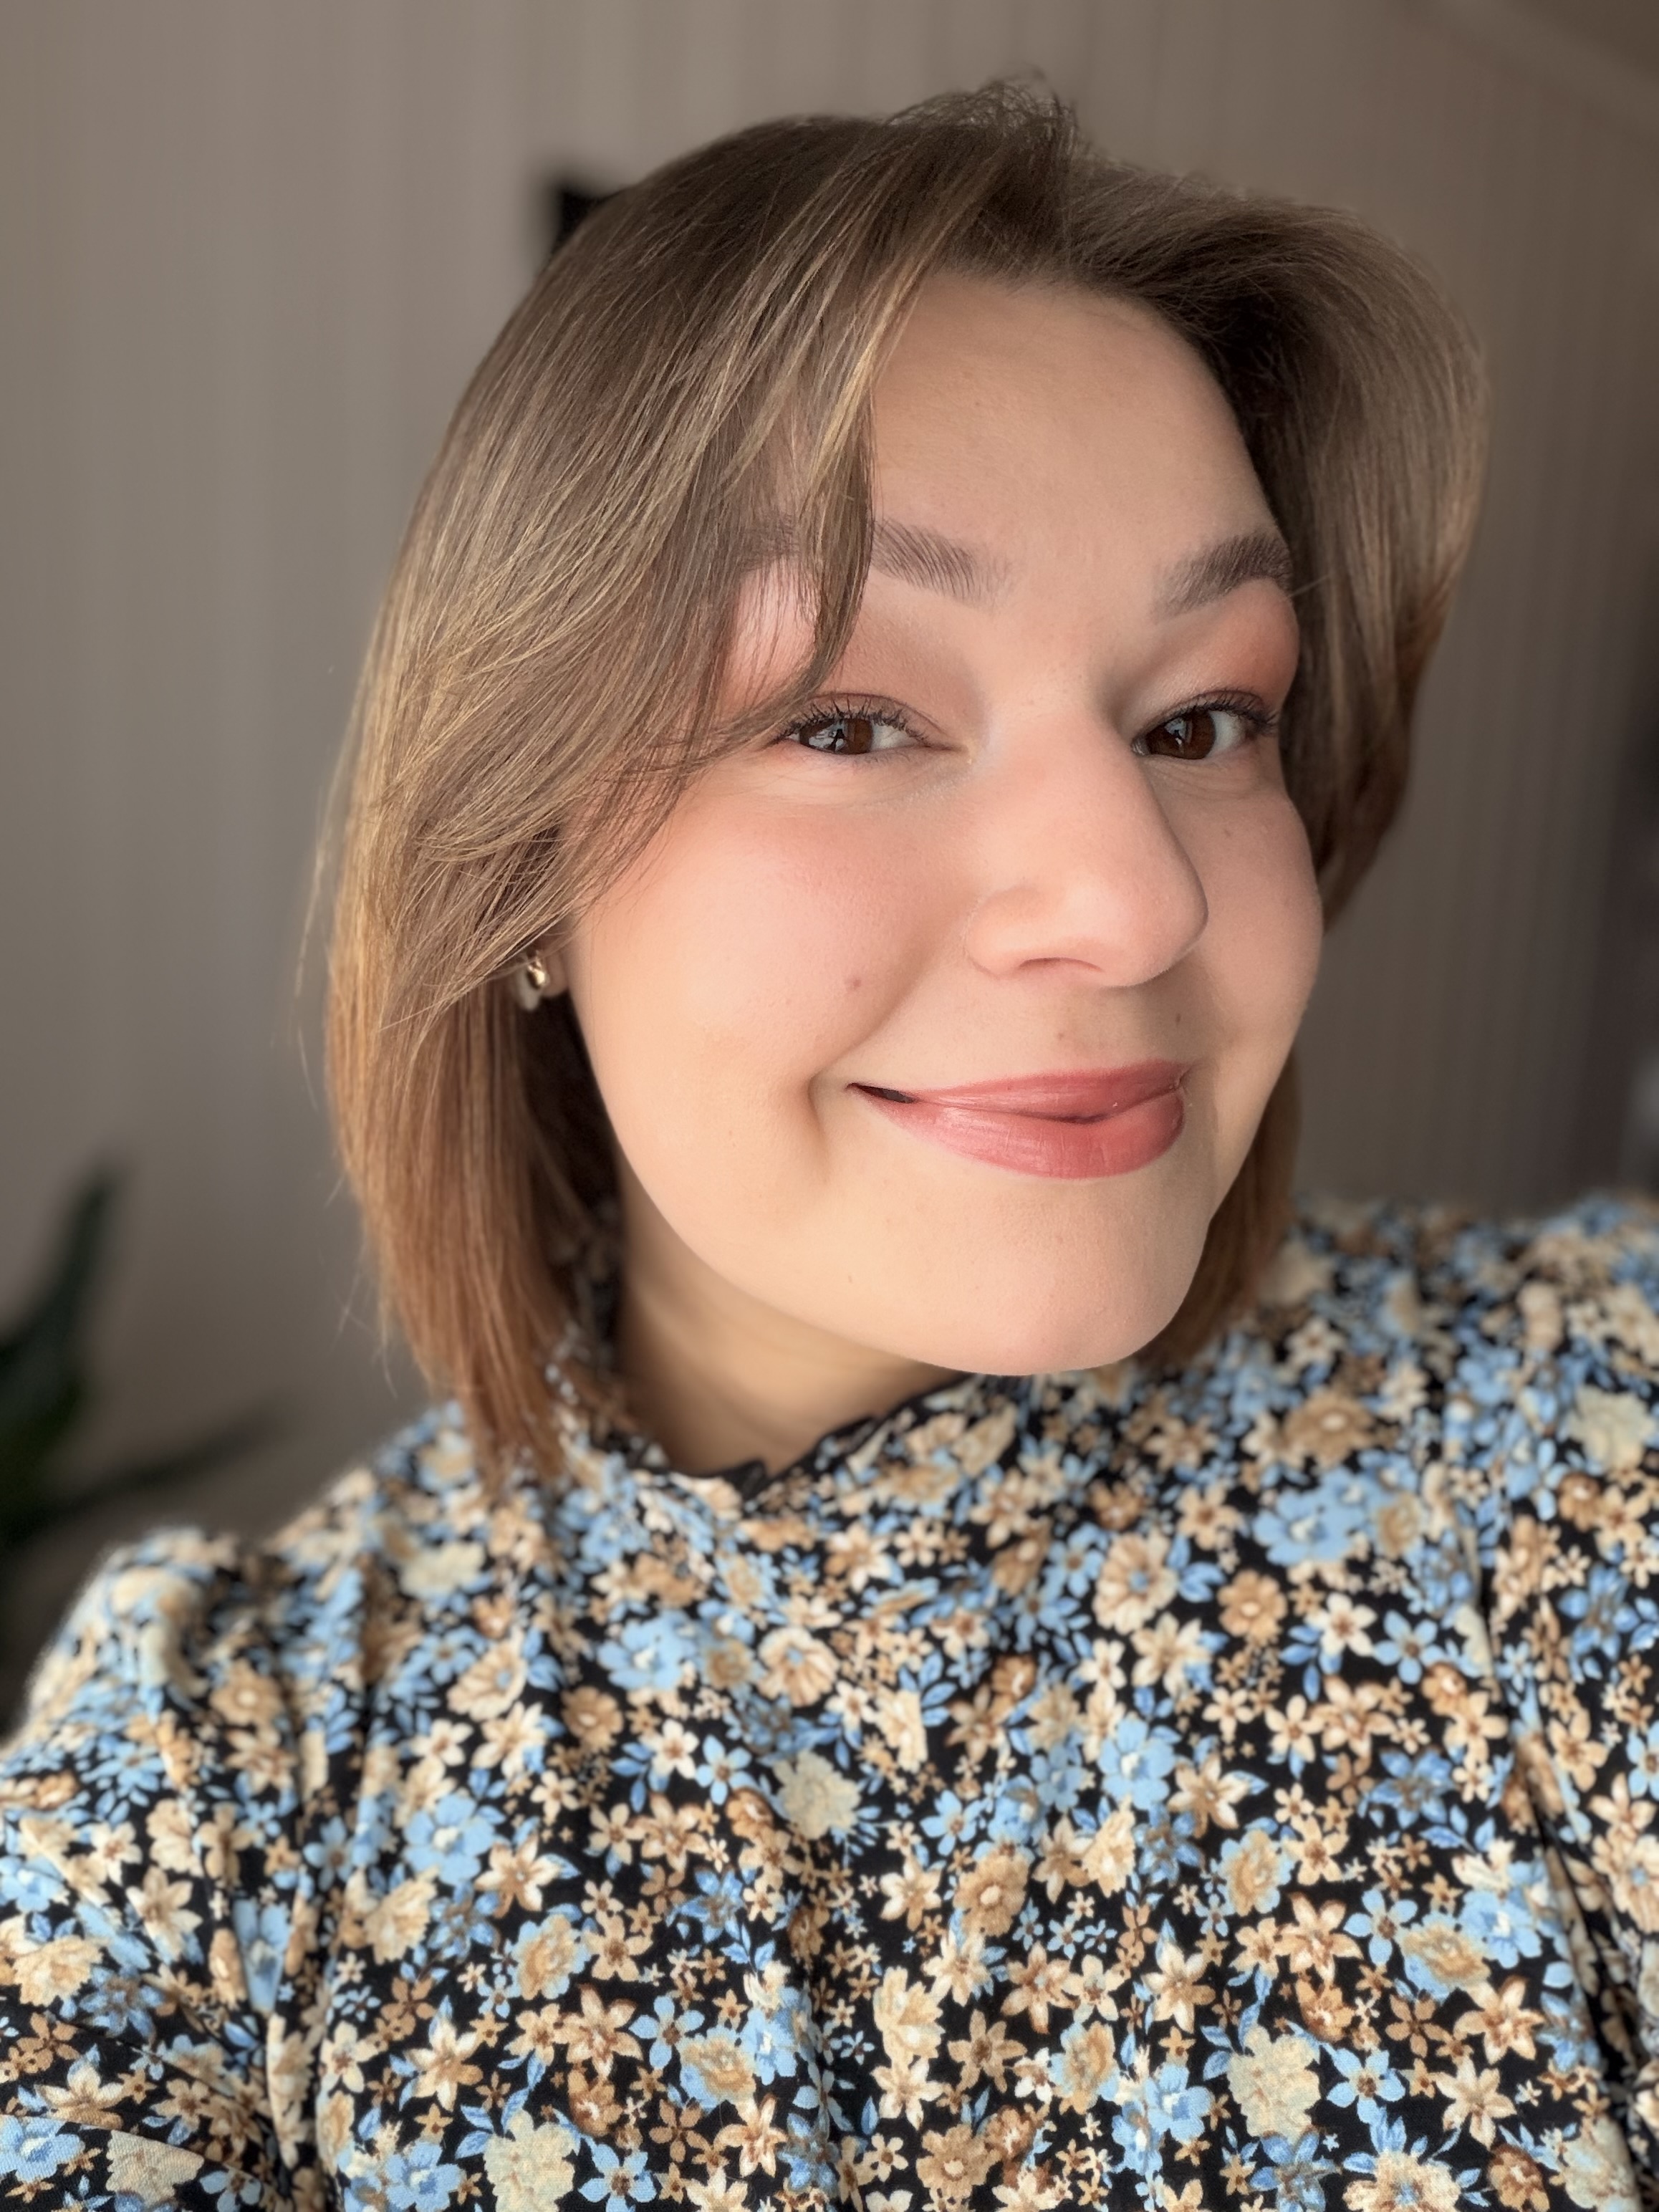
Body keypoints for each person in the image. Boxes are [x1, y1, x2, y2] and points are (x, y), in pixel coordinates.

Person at [0, 80, 1652, 2212]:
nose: (1136, 900)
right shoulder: (207, 1782)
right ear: (515, 864)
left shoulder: (1581, 1430)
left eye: (1203, 718)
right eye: (849, 717)